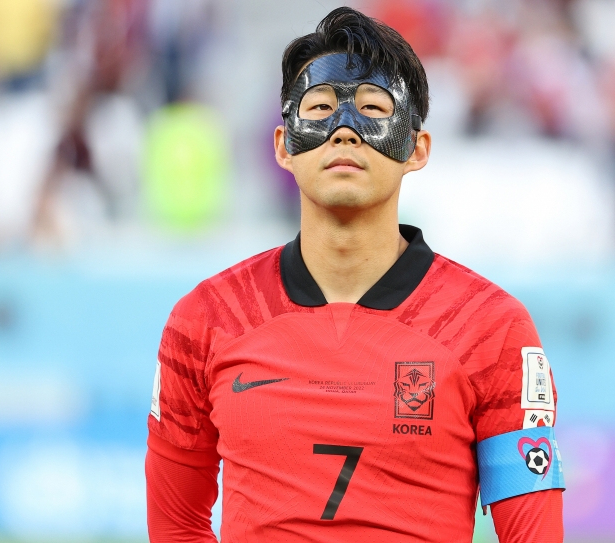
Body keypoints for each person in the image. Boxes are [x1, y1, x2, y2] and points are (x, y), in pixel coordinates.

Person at [145, 7, 564, 542]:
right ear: (282, 146)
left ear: (417, 148)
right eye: (319, 109)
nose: (344, 130)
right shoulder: (205, 319)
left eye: (372, 108)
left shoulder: (493, 329)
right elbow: (176, 526)